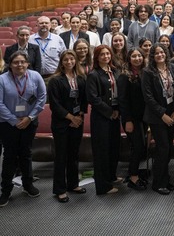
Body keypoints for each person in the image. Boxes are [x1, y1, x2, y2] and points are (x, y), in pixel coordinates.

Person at [0, 52, 46, 207]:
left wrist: (29, 118)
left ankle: (28, 184)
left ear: (27, 63)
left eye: (22, 62)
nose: (19, 65)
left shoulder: (35, 76)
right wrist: (14, 121)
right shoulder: (2, 79)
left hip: (29, 122)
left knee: (26, 153)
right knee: (10, 156)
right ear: (10, 64)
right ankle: (5, 190)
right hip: (7, 124)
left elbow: (41, 98)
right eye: (15, 62)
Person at [48, 50, 88, 203]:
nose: (69, 62)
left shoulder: (81, 78)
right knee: (61, 156)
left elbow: (84, 100)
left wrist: (79, 116)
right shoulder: (55, 80)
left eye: (72, 59)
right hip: (61, 123)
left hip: (77, 121)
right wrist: (71, 117)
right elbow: (55, 105)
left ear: (76, 60)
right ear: (61, 62)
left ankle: (73, 184)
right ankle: (60, 189)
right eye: (66, 60)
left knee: (73, 154)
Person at [141, 44, 174, 195]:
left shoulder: (173, 68)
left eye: (162, 52)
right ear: (152, 56)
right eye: (156, 53)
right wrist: (162, 114)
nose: (159, 55)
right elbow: (148, 97)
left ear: (166, 53)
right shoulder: (148, 72)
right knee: (162, 149)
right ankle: (158, 183)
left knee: (168, 148)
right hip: (157, 116)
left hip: (172, 113)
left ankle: (165, 178)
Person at [86, 45, 122, 195]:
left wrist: (117, 110)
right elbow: (93, 98)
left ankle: (111, 176)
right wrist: (109, 112)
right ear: (97, 57)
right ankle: (103, 186)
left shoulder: (115, 71)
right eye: (102, 54)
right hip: (102, 117)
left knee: (113, 147)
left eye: (108, 53)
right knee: (102, 151)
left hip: (115, 114)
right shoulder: (93, 74)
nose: (106, 56)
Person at [117, 47, 148, 191]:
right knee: (138, 146)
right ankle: (133, 176)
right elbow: (122, 100)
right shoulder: (124, 76)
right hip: (131, 118)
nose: (137, 59)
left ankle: (134, 171)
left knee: (141, 147)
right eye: (134, 56)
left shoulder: (145, 73)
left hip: (144, 117)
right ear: (129, 59)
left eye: (139, 56)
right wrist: (127, 119)